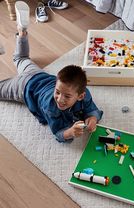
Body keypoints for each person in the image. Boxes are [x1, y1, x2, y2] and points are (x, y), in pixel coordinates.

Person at [0, 1, 103, 142]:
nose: (60, 99)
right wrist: (70, 132)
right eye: (58, 92)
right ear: (56, 84)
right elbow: (59, 133)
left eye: (67, 96)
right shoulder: (51, 107)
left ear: (81, 96)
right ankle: (21, 33)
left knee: (21, 58)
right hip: (24, 87)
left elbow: (92, 110)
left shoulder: (85, 96)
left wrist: (92, 119)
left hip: (38, 74)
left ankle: (22, 32)